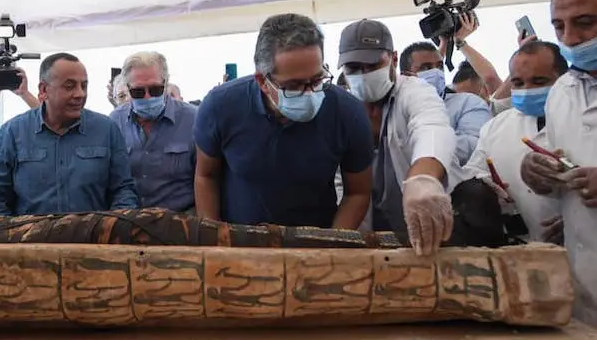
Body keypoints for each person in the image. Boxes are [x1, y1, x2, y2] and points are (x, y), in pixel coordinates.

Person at [194, 13, 373, 229]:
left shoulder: (348, 112)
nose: (309, 93)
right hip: (239, 243)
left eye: (317, 80)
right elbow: (206, 176)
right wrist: (215, 242)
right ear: (262, 81)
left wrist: (332, 245)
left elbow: (358, 192)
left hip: (316, 240)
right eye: (294, 86)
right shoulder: (219, 108)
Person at [338, 19, 457, 256]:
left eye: (372, 65)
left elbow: (431, 125)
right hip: (368, 237)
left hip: (426, 229)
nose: (363, 74)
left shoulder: (414, 91)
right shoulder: (341, 109)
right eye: (353, 68)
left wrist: (423, 179)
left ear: (393, 58)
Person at [520, 0, 597, 325]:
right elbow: (555, 164)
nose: (570, 38)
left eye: (585, 22)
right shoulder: (562, 91)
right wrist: (536, 172)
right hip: (583, 285)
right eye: (559, 26)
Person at [0, 53, 139, 216]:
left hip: (93, 240)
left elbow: (123, 190)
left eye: (84, 86)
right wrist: (12, 235)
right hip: (28, 240)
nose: (80, 94)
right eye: (69, 86)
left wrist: (114, 228)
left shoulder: (107, 130)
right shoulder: (12, 133)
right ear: (44, 90)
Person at [464, 41, 567, 242]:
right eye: (518, 83)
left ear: (564, 80)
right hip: (521, 248)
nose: (527, 90)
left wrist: (579, 216)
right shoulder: (495, 127)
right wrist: (485, 186)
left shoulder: (585, 118)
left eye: (539, 81)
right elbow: (472, 172)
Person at [110, 51, 196, 212]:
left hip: (182, 224)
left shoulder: (194, 119)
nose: (148, 97)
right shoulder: (115, 122)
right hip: (129, 223)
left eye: (155, 90)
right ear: (128, 89)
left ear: (166, 84)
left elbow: (207, 178)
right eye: (138, 92)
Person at [399, 41, 492, 166]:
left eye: (439, 66)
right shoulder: (395, 109)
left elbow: (474, 145)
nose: (437, 72)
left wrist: (418, 146)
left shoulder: (468, 103)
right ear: (406, 75)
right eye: (426, 68)